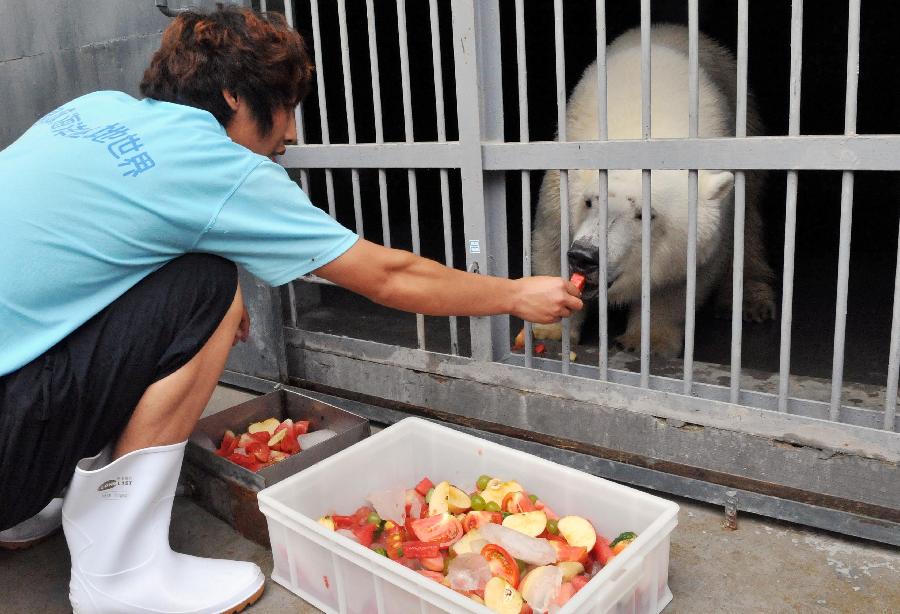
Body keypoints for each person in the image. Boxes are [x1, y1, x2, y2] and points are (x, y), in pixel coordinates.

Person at [0, 6, 582, 613]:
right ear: (233, 94)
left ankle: (40, 502)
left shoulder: (93, 111)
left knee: (173, 288)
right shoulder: (219, 166)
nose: (294, 133)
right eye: (286, 104)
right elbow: (387, 275)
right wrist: (515, 294)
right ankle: (118, 576)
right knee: (207, 288)